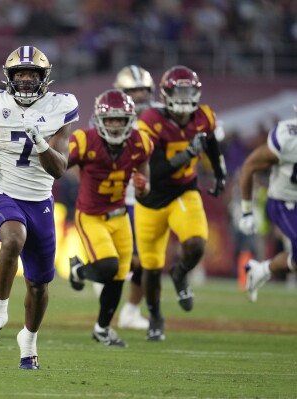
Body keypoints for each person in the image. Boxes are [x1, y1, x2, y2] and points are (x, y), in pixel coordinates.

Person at [0, 46, 79, 369]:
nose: (24, 80)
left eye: (31, 75)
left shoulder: (59, 107)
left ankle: (29, 341)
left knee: (38, 286)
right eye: (19, 74)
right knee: (13, 238)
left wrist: (41, 144)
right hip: (2, 192)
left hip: (41, 203)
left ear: (43, 79)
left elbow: (60, 168)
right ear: (9, 77)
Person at [135, 65, 226, 342]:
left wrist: (220, 173)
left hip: (183, 192)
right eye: (180, 91)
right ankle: (156, 318)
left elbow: (209, 141)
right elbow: (156, 170)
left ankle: (180, 272)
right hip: (151, 198)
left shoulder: (204, 116)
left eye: (190, 91)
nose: (186, 97)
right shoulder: (151, 119)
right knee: (150, 268)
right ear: (166, 94)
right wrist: (188, 154)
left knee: (197, 243)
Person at [68, 89, 153, 347]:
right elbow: (59, 165)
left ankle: (102, 329)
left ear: (130, 120)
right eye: (110, 119)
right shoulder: (84, 140)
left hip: (120, 217)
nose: (115, 125)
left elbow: (145, 174)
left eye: (120, 119)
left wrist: (143, 186)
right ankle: (79, 271)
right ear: (99, 119)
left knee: (119, 276)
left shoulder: (141, 142)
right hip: (91, 215)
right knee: (107, 268)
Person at [109, 65, 157, 330]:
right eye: (132, 90)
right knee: (115, 259)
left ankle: (130, 310)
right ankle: (92, 272)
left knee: (146, 259)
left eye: (142, 90)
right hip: (114, 195)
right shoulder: (107, 118)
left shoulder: (159, 117)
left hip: (145, 197)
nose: (139, 96)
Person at [239, 113, 297, 302]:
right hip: (285, 202)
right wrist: (246, 210)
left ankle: (261, 270)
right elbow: (249, 166)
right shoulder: (287, 138)